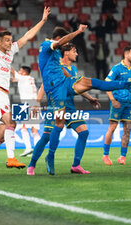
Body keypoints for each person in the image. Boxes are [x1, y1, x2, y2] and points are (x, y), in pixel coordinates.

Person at [38, 26, 131, 175]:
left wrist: (88, 96)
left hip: (66, 84)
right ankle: (49, 157)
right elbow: (54, 57)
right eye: (66, 44)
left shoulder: (58, 55)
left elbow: (63, 71)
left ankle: (127, 84)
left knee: (93, 82)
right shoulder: (46, 46)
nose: (67, 47)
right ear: (59, 39)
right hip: (56, 91)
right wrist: (77, 32)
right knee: (58, 124)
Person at [0, 0, 50, 177]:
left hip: (2, 95)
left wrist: (43, 20)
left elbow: (28, 36)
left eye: (10, 40)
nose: (10, 42)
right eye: (7, 40)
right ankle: (11, 158)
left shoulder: (12, 51)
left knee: (0, 135)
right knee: (12, 123)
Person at [27, 43, 100, 175]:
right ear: (66, 53)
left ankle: (76, 165)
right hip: (55, 106)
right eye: (74, 51)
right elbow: (44, 86)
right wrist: (36, 103)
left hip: (70, 107)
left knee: (84, 133)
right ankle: (32, 165)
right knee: (46, 137)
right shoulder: (56, 66)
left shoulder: (73, 70)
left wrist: (89, 98)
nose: (77, 54)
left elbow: (77, 87)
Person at [102, 46, 131, 166]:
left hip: (129, 103)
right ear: (126, 55)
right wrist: (113, 100)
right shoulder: (117, 69)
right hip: (117, 102)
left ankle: (122, 157)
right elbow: (106, 83)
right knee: (112, 127)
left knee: (127, 130)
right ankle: (105, 155)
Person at [10, 66, 41, 157]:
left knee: (23, 127)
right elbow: (15, 79)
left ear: (24, 72)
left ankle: (28, 148)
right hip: (35, 103)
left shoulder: (23, 78)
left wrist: (5, 60)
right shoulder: (30, 79)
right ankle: (38, 150)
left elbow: (13, 71)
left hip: (27, 105)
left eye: (20, 71)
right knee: (34, 130)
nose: (18, 72)